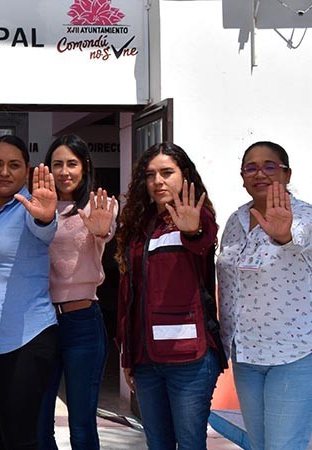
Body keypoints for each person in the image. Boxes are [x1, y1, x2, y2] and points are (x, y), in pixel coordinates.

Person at [116, 142, 227, 450]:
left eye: (167, 173)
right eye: (150, 175)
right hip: (146, 359)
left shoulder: (197, 217)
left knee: (191, 444)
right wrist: (128, 354)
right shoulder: (140, 226)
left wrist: (191, 231)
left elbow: (202, 239)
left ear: (184, 175)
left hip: (189, 358)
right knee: (158, 444)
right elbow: (129, 296)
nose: (158, 181)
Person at [218, 141, 312, 450]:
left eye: (270, 166)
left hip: (294, 353)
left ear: (287, 173)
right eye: (251, 167)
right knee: (258, 444)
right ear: (242, 176)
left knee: (284, 445)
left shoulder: (304, 217)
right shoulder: (235, 220)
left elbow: (299, 243)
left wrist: (283, 236)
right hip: (246, 354)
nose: (260, 173)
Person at [0, 134, 59, 450]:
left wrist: (46, 214)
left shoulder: (31, 207)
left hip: (27, 339)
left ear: (27, 170)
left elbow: (46, 226)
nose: (4, 172)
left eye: (13, 165)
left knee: (21, 440)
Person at [38, 135, 117, 450]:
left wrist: (101, 230)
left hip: (83, 320)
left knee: (82, 424)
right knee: (40, 422)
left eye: (71, 163)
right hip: (41, 322)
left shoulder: (100, 205)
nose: (64, 171)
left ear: (85, 166)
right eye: (57, 164)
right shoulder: (38, 206)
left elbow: (104, 231)